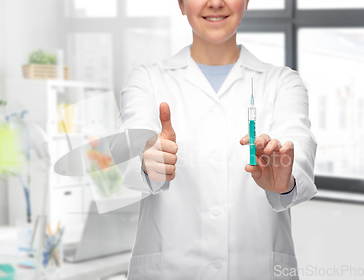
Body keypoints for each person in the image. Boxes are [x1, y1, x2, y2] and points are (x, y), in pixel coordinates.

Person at [113, 0, 317, 279]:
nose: (216, 2)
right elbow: (129, 144)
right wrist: (148, 159)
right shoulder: (146, 79)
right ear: (182, 4)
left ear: (246, 2)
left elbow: (299, 146)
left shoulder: (283, 82)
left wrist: (285, 181)